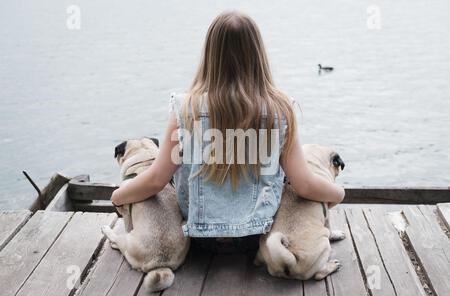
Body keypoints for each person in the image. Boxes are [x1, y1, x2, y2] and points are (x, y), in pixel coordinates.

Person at [111, 11, 344, 243]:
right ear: (257, 55)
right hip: (257, 236)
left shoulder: (186, 108)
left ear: (211, 55)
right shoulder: (280, 110)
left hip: (200, 238)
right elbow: (304, 185)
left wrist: (118, 196)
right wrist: (339, 193)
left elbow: (156, 180)